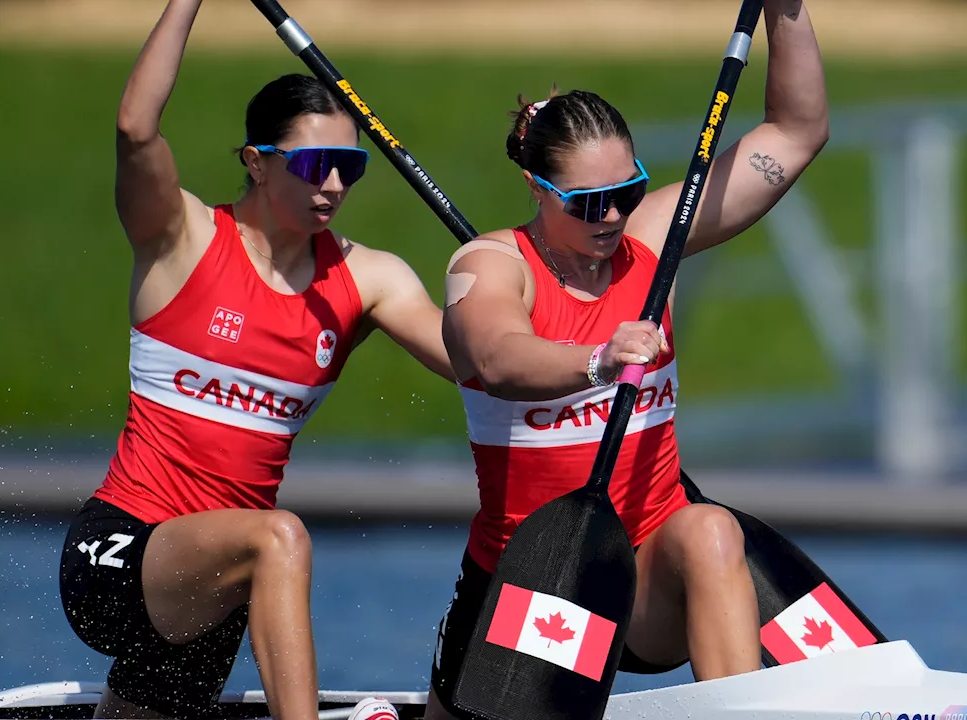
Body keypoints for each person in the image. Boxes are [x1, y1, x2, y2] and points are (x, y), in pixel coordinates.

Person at [426, 1, 828, 716]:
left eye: (626, 192)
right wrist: (597, 362)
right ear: (536, 189)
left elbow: (797, 133)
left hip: (649, 578)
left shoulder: (653, 244)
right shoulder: (488, 266)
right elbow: (499, 357)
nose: (612, 217)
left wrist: (785, 11)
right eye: (588, 203)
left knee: (711, 528)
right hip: (535, 580)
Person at [57, 2, 451, 719]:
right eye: (313, 164)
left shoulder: (368, 278)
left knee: (261, 552)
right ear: (257, 163)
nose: (333, 184)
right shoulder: (180, 237)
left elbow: (477, 362)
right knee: (281, 536)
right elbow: (134, 127)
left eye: (350, 166)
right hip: (119, 552)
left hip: (225, 580)